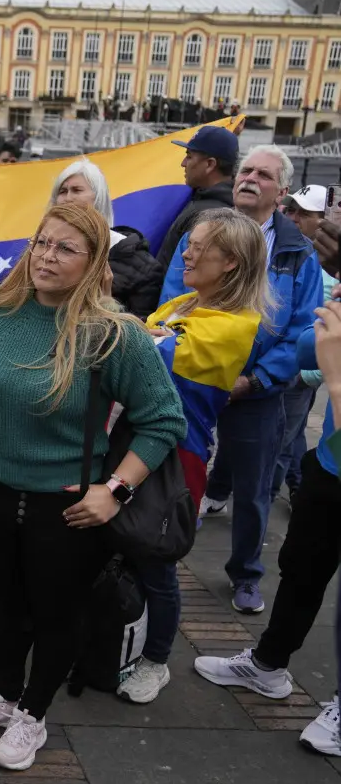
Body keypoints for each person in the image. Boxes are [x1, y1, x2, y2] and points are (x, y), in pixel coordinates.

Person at [0, 204, 184, 771]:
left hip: (71, 508)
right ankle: (3, 696)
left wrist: (116, 490)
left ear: (94, 260)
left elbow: (164, 421)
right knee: (10, 605)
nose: (47, 257)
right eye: (41, 243)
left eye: (64, 248)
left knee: (57, 614)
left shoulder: (114, 335)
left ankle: (33, 713)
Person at [160, 145, 324, 614]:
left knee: (254, 489)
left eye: (264, 174)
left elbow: (301, 330)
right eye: (246, 170)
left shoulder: (298, 253)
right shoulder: (205, 232)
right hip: (192, 379)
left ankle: (246, 574)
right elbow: (178, 294)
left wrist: (255, 379)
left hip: (255, 389)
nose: (250, 178)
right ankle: (160, 553)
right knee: (173, 472)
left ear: (283, 191)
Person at [118, 210, 271, 705]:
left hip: (177, 458)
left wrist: (103, 304)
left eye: (199, 245)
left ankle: (156, 660)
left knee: (157, 560)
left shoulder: (234, 324)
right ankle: (116, 637)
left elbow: (147, 349)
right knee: (119, 546)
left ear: (230, 262)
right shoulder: (186, 302)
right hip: (136, 442)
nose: (187, 252)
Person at [194, 282, 341, 757]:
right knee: (301, 570)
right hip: (333, 464)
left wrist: (335, 372)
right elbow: (306, 351)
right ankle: (268, 666)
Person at [270, 184, 329, 504]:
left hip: (304, 375)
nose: (293, 218)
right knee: (291, 436)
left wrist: (310, 376)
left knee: (282, 442)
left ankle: (276, 491)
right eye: (290, 210)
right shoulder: (291, 251)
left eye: (303, 213)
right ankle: (297, 485)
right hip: (285, 367)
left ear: (325, 219)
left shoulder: (327, 266)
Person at [48, 158, 162, 319]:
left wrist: (104, 304)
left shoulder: (141, 265)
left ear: (98, 197)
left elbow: (140, 332)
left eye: (76, 190)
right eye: (62, 191)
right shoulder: (40, 250)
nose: (67, 198)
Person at [156, 125, 238, 267]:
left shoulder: (209, 217)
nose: (183, 163)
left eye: (189, 156)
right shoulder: (205, 201)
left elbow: (185, 276)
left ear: (210, 164)